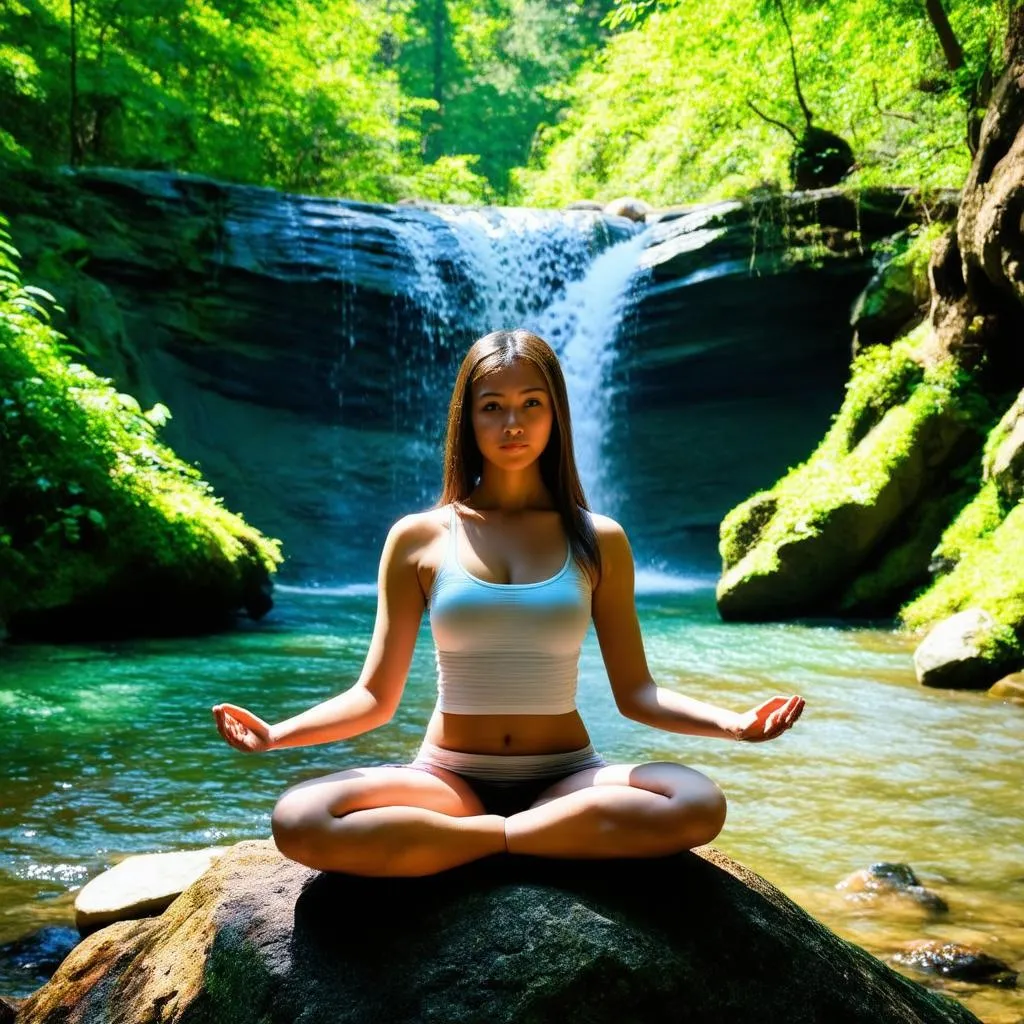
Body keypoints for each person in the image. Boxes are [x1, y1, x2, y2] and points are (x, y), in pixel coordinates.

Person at [212, 328, 805, 878]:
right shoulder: (419, 537)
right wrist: (275, 736)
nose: (512, 423)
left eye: (531, 404)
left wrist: (734, 724)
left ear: (556, 416)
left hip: (569, 776)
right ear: (467, 419)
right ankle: (521, 838)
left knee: (700, 802)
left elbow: (637, 694)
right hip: (447, 777)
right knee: (299, 817)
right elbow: (373, 698)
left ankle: (483, 840)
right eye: (492, 406)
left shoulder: (599, 539)